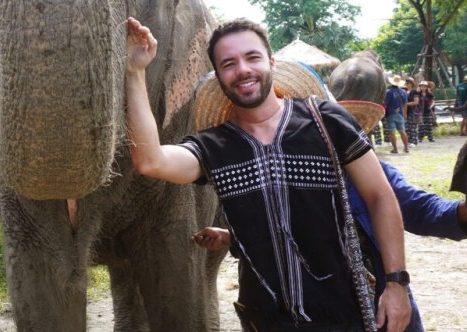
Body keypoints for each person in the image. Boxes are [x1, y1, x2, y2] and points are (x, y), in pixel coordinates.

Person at [125, 17, 410, 331]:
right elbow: (150, 161)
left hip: (343, 313)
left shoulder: (326, 121)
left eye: (252, 57)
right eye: (228, 64)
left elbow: (380, 197)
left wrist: (397, 284)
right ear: (218, 76)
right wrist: (136, 71)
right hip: (264, 320)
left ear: (271, 63)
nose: (243, 70)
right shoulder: (214, 147)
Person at [198, 100, 467, 332]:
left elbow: (422, 209)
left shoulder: (371, 177)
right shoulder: (270, 176)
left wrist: (462, 212)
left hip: (370, 308)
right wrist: (232, 237)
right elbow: (279, 236)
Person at [384, 75, 410, 154]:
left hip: (390, 113)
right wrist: (405, 114)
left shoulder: (388, 92)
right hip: (400, 113)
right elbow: (405, 104)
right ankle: (406, 148)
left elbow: (385, 103)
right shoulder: (403, 92)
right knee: (402, 131)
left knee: (392, 132)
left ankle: (395, 149)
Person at [403, 78, 420, 147]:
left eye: (408, 83)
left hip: (412, 111)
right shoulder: (404, 91)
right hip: (405, 112)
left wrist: (406, 104)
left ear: (412, 84)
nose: (407, 84)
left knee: (413, 127)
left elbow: (416, 102)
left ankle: (414, 141)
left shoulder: (414, 92)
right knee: (407, 128)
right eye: (406, 83)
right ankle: (409, 141)